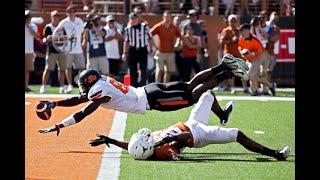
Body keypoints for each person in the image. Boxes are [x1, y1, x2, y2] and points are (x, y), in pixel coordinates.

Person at [38, 54, 249, 135]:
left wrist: (59, 125)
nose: (83, 89)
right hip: (148, 89)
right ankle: (222, 65)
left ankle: (227, 73)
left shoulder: (98, 92)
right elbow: (79, 99)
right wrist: (55, 105)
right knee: (189, 84)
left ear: (89, 82)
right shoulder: (102, 82)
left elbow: (84, 111)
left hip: (152, 100)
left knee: (193, 96)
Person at [89, 90, 290, 161]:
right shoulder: (162, 152)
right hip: (199, 135)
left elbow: (133, 148)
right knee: (237, 134)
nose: (147, 136)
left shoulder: (146, 148)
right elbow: (184, 140)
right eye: (146, 140)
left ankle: (222, 115)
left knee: (208, 94)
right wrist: (170, 139)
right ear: (149, 148)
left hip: (190, 122)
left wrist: (112, 140)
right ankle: (276, 154)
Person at [53, 5, 85, 93]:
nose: (72, 13)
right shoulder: (64, 22)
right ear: (67, 13)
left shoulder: (79, 21)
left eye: (73, 12)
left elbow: (84, 32)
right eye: (70, 12)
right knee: (68, 67)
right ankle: (70, 85)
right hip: (68, 49)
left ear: (75, 13)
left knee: (81, 68)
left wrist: (84, 41)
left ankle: (81, 85)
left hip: (78, 49)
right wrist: (65, 39)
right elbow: (56, 34)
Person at [122, 12, 156, 87]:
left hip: (142, 50)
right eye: (132, 19)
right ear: (129, 20)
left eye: (135, 19)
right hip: (132, 50)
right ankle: (134, 88)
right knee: (132, 70)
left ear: (138, 19)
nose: (133, 20)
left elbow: (150, 39)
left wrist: (151, 50)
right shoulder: (127, 29)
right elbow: (126, 41)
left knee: (143, 70)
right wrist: (125, 52)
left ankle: (143, 87)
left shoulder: (144, 27)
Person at [40, 10, 67, 94]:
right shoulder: (48, 27)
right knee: (48, 69)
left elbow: (65, 38)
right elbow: (44, 39)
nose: (55, 18)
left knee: (62, 70)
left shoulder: (61, 27)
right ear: (51, 17)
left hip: (61, 51)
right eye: (54, 16)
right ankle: (43, 87)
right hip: (51, 51)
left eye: (57, 16)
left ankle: (62, 87)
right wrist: (48, 38)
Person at [25, 10, 38, 92]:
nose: (27, 18)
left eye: (28, 17)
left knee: (27, 70)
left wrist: (28, 26)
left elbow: (35, 34)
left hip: (29, 50)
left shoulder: (32, 25)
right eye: (26, 17)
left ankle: (26, 86)